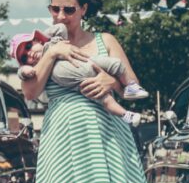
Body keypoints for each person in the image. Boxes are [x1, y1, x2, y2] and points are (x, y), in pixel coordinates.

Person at [20, 0, 146, 183]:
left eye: (69, 10)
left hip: (105, 139)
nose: (60, 16)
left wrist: (110, 82)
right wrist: (52, 54)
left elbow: (131, 86)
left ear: (84, 9)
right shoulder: (41, 45)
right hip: (63, 141)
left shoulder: (105, 41)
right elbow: (30, 92)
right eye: (54, 9)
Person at [11, 24, 148, 126]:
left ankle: (131, 87)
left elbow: (60, 28)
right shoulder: (37, 67)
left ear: (83, 8)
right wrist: (48, 55)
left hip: (90, 64)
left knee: (116, 65)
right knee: (106, 101)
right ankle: (126, 115)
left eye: (68, 9)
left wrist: (114, 83)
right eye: (24, 57)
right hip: (75, 100)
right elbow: (27, 89)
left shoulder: (55, 41)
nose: (29, 54)